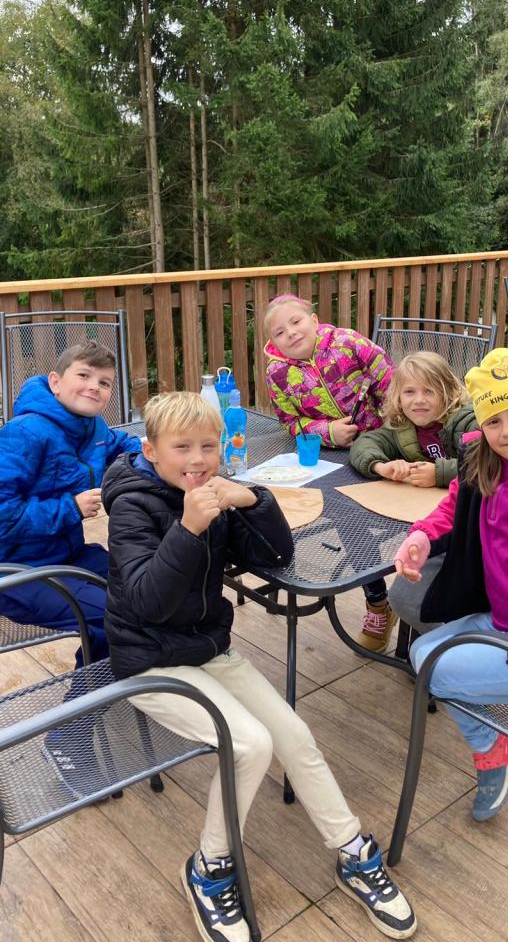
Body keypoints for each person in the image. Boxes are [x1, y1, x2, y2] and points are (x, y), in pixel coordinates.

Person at [102, 392, 417, 942]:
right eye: (182, 448)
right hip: (148, 661)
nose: (198, 460)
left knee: (293, 734)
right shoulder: (133, 506)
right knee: (248, 744)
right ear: (150, 450)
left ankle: (352, 851)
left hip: (207, 650)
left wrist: (253, 500)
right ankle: (209, 869)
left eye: (209, 447)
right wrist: (188, 530)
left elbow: (275, 557)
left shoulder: (211, 492)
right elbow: (148, 602)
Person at [393, 348, 508, 822]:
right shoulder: (483, 460)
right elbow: (454, 506)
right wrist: (422, 535)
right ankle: (499, 741)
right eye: (494, 420)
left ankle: (496, 743)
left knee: (437, 671)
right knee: (422, 654)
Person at [264, 293, 397, 649]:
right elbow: (289, 422)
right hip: (331, 456)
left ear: (314, 319)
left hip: (385, 441)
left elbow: (393, 385)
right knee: (343, 512)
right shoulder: (277, 373)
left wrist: (392, 429)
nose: (291, 333)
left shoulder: (349, 344)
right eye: (279, 332)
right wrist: (327, 431)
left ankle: (418, 593)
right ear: (272, 341)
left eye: (296, 322)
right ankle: (378, 601)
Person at [0, 340, 141, 666]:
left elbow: (123, 444)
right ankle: (87, 697)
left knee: (143, 585)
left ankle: (122, 674)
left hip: (66, 554)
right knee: (115, 615)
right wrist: (71, 508)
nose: (94, 387)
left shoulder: (92, 426)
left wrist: (157, 453)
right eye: (84, 375)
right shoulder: (25, 433)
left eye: (104, 382)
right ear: (55, 382)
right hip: (15, 571)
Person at [349, 352, 477, 647]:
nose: (419, 400)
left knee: (417, 593)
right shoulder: (402, 427)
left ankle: (462, 647)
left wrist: (440, 473)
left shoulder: (466, 421)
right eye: (409, 392)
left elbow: (487, 459)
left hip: (467, 527)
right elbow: (365, 443)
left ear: (448, 391)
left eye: (429, 391)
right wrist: (380, 465)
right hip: (426, 522)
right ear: (398, 397)